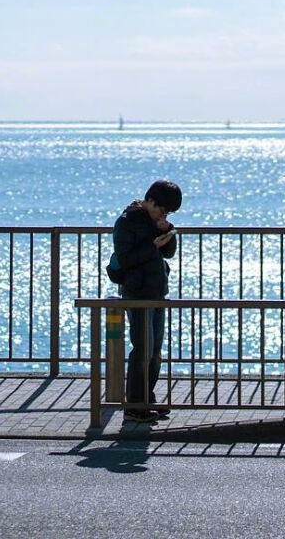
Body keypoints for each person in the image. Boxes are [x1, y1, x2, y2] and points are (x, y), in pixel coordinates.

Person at [112, 179, 182, 423]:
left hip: (157, 291)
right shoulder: (125, 222)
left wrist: (166, 231)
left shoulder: (156, 222)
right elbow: (126, 258)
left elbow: (169, 253)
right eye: (161, 209)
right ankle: (134, 405)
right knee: (142, 348)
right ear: (150, 200)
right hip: (136, 291)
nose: (163, 214)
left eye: (168, 212)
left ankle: (146, 397)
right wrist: (153, 246)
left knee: (154, 351)